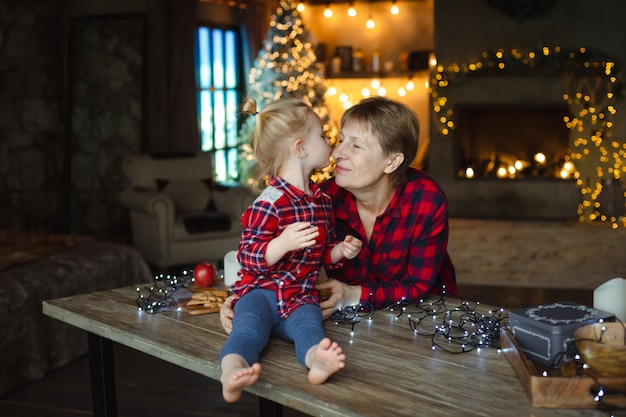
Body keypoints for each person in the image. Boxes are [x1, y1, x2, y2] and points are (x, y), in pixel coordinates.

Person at [221, 95, 456, 323]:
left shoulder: (426, 201)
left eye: (355, 146)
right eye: (341, 140)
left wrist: (355, 294)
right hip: (348, 320)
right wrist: (244, 301)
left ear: (392, 162)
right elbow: (273, 257)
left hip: (425, 318)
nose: (337, 153)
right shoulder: (318, 199)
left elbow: (417, 285)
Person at [219, 97, 363, 403]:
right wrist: (280, 244)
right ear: (301, 148)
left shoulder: (321, 202)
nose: (330, 143)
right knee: (247, 331)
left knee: (310, 327)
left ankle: (316, 361)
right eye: (323, 137)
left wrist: (340, 251)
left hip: (299, 296)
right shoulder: (269, 203)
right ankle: (232, 369)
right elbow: (248, 257)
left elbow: (318, 253)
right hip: (261, 293)